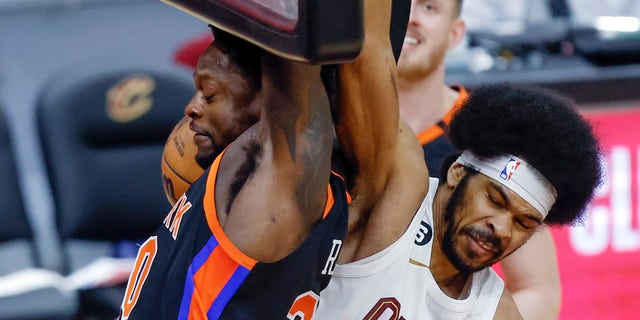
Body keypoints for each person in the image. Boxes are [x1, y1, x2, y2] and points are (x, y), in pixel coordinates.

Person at [314, 0, 602, 318]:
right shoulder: (401, 187)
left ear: (456, 32)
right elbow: (368, 53)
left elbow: (538, 287)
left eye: (523, 222)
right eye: (494, 200)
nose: (502, 228)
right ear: (456, 170)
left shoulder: (496, 308)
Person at [119, 26, 349, 319]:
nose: (190, 108)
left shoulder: (232, 179)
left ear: (265, 100)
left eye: (210, 94)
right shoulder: (245, 176)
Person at [397, 0, 562, 318]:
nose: (410, 17)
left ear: (456, 33)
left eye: (429, 7)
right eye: (397, 4)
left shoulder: (497, 136)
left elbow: (538, 290)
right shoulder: (329, 119)